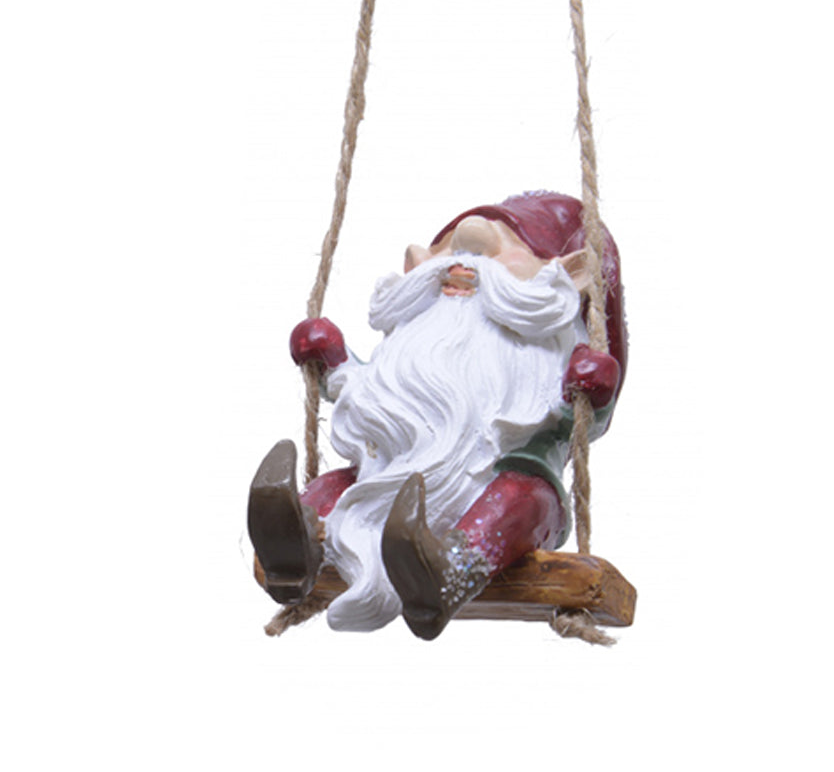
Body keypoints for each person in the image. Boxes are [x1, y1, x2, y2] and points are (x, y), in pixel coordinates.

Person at [247, 191, 627, 640]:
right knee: (338, 485)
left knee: (522, 500)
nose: (463, 258)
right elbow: (364, 391)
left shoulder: (541, 365)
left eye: (507, 250)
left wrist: (590, 390)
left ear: (567, 278)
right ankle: (295, 543)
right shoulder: (414, 340)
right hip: (388, 477)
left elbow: (581, 419)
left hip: (506, 486)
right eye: (448, 251)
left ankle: (449, 571)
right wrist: (333, 361)